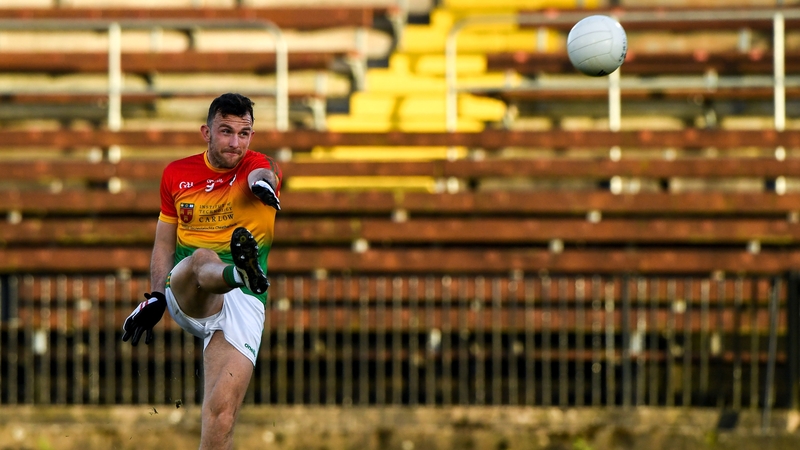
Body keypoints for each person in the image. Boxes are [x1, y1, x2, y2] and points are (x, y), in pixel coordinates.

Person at [120, 92, 282, 450]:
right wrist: (156, 296)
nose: (235, 142)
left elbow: (262, 173)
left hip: (243, 303)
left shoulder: (260, 166)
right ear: (206, 132)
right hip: (190, 289)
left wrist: (262, 185)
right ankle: (239, 272)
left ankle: (242, 276)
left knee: (221, 413)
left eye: (244, 133)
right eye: (226, 131)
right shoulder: (176, 174)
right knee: (200, 259)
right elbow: (163, 244)